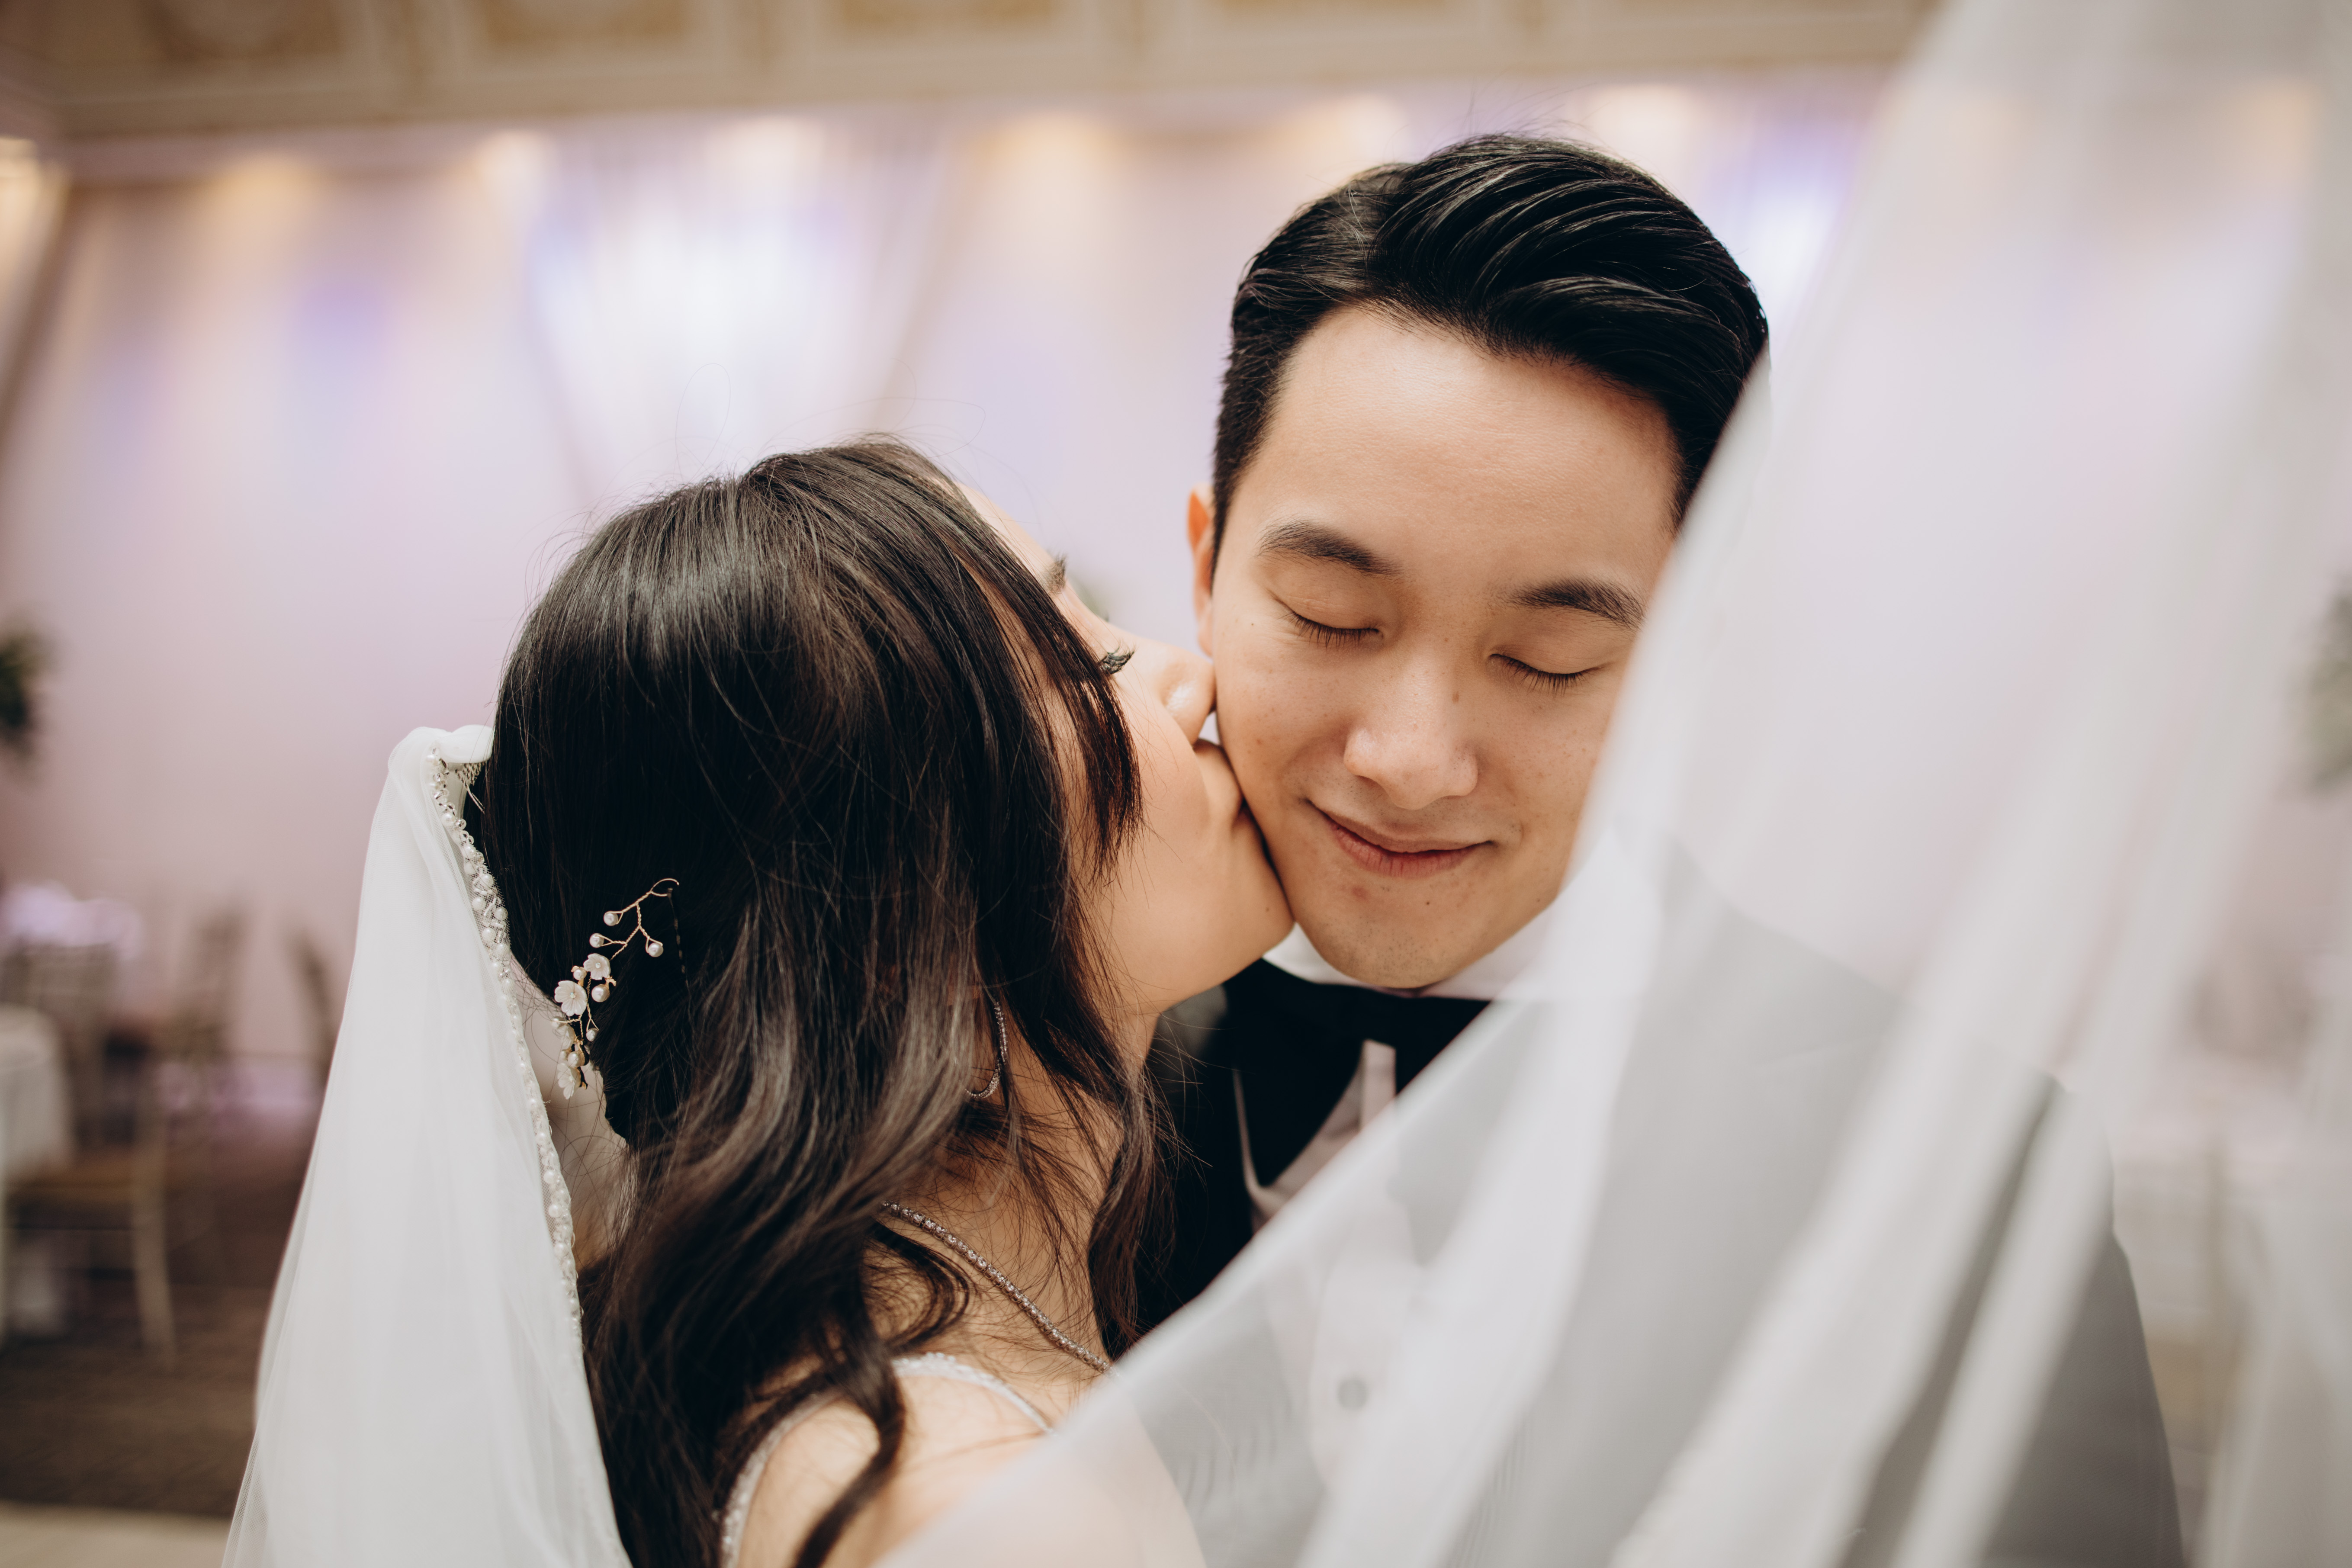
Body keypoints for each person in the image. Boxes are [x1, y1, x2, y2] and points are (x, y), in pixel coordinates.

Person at [1142, 135, 2184, 1565]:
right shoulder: (1010, 1077)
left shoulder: (1967, 1181)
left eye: (1546, 659)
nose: (1410, 758)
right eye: (1333, 616)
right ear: (1206, 567)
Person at [229, 441, 1285, 1568]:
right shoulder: (980, 1513)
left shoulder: (870, 1377)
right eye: (1090, 662)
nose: (1189, 675)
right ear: (901, 944)